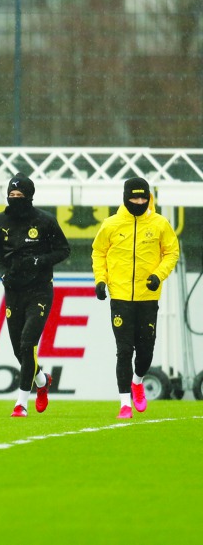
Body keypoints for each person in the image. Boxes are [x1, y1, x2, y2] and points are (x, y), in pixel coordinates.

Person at [91, 177, 180, 419]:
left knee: (145, 350)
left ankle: (138, 381)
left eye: (143, 197)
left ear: (148, 197)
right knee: (124, 350)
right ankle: (124, 404)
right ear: (125, 197)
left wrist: (158, 275)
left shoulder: (160, 224)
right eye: (134, 197)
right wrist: (101, 280)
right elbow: (98, 252)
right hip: (119, 296)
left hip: (148, 296)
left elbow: (172, 251)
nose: (139, 201)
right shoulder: (111, 224)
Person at [0, 173, 70, 418]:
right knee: (18, 351)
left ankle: (21, 403)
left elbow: (64, 250)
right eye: (11, 195)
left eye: (20, 196)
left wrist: (39, 261)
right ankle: (43, 381)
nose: (15, 199)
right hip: (13, 290)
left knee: (27, 344)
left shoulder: (45, 221)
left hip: (39, 290)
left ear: (30, 196)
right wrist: (2, 273)